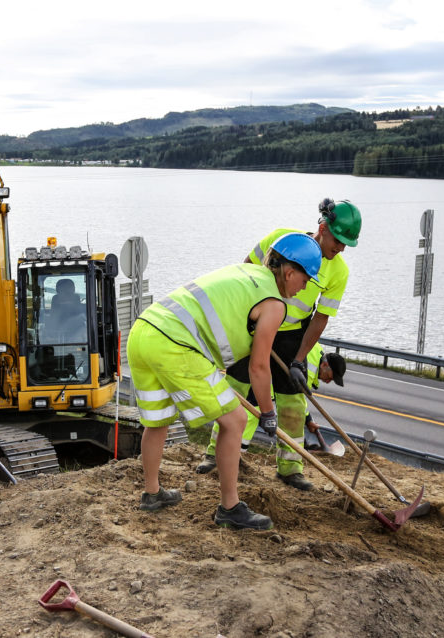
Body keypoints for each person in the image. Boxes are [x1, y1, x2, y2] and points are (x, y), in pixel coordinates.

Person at [128, 233, 322, 530]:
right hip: (174, 343)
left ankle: (152, 494)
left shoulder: (246, 271)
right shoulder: (274, 304)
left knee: (157, 422)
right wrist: (269, 414)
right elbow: (259, 367)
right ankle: (230, 508)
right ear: (290, 272)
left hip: (144, 331)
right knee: (234, 420)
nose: (305, 286)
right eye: (306, 279)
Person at [250, 198, 359, 490]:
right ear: (322, 227)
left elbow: (320, 318)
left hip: (291, 333)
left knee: (293, 402)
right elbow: (246, 269)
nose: (341, 248)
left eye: (347, 243)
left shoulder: (339, 271)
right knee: (241, 388)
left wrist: (299, 360)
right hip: (256, 322)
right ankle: (221, 455)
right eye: (338, 240)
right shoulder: (282, 238)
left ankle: (290, 467)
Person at [195, 345, 346, 470]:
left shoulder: (314, 352)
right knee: (241, 415)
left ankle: (229, 457)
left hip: (262, 373)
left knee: (246, 416)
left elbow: (297, 400)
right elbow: (296, 400)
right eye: (331, 376)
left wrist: (308, 420)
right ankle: (220, 457)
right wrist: (307, 419)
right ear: (325, 365)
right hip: (259, 374)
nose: (329, 381)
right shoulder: (308, 368)